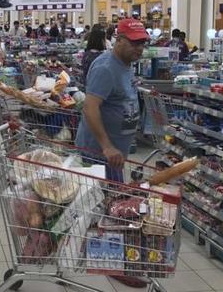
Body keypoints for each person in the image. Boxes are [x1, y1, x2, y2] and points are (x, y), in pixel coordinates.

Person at [75, 18, 149, 288]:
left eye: (142, 43)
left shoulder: (126, 65)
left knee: (112, 205)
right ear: (118, 40)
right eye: (133, 42)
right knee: (110, 210)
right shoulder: (106, 67)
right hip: (99, 152)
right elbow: (90, 108)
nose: (139, 48)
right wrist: (107, 145)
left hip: (114, 153)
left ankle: (109, 255)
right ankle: (110, 261)